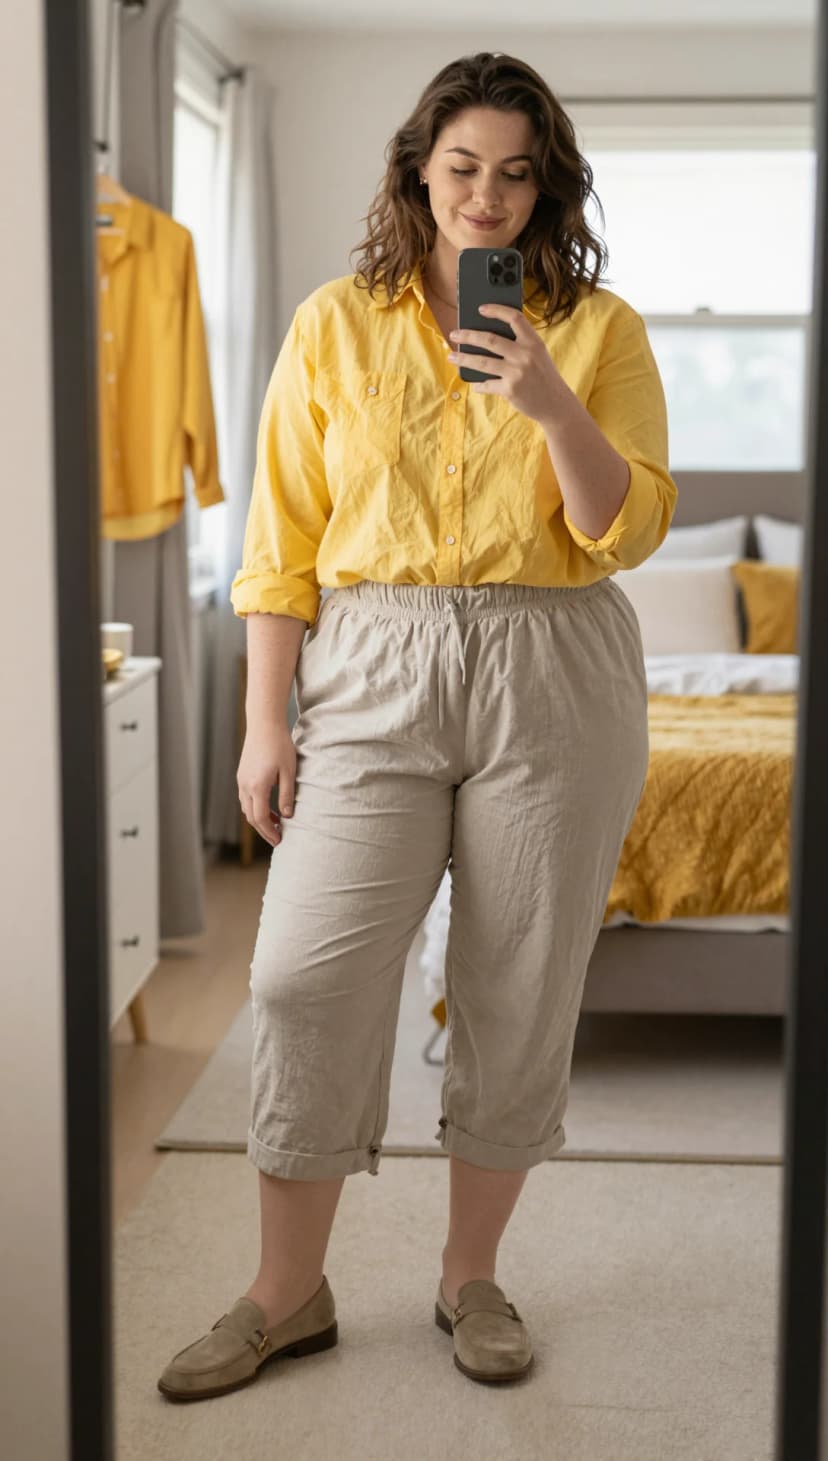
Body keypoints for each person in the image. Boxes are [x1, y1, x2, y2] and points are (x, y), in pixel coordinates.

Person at [157, 50, 677, 1402]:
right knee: (301, 973)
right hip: (374, 659)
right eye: (463, 169)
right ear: (418, 173)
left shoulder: (600, 330)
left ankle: (469, 1275)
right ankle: (289, 1291)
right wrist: (262, 725)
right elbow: (280, 541)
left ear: (545, 184)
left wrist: (548, 399)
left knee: (517, 986)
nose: (488, 197)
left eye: (516, 173)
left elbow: (625, 524)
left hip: (551, 663)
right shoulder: (335, 323)